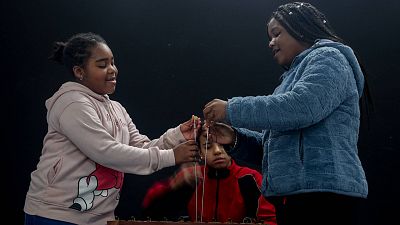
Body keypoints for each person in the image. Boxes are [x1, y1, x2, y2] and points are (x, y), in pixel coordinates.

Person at [202, 2, 371, 225]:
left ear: (300, 27)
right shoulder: (289, 80)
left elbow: (300, 107)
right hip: (297, 198)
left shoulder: (330, 58)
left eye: (276, 33)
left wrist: (232, 109)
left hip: (324, 198)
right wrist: (235, 138)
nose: (270, 42)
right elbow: (276, 151)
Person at [23, 32, 201, 225]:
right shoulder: (72, 103)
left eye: (112, 62)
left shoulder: (116, 108)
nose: (112, 70)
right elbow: (106, 152)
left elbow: (141, 147)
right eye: (102, 65)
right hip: (55, 215)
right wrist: (172, 156)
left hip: (99, 218)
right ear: (79, 72)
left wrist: (177, 136)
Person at [141, 125, 277, 225]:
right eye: (208, 146)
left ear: (232, 145)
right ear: (200, 152)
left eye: (223, 145)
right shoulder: (191, 176)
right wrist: (173, 186)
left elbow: (272, 220)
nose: (217, 151)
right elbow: (149, 209)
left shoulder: (250, 178)